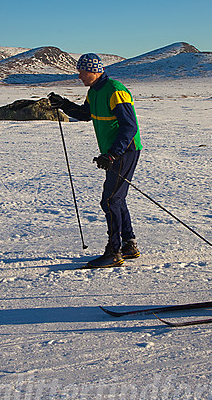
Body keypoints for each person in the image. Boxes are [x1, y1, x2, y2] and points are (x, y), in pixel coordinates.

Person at [48, 53, 143, 268]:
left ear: (94, 70)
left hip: (125, 151)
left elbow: (130, 127)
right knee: (117, 198)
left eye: (82, 71)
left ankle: (114, 252)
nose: (79, 76)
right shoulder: (94, 91)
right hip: (114, 152)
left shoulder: (115, 90)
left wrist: (112, 154)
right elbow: (85, 114)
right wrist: (63, 104)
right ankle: (129, 245)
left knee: (110, 201)